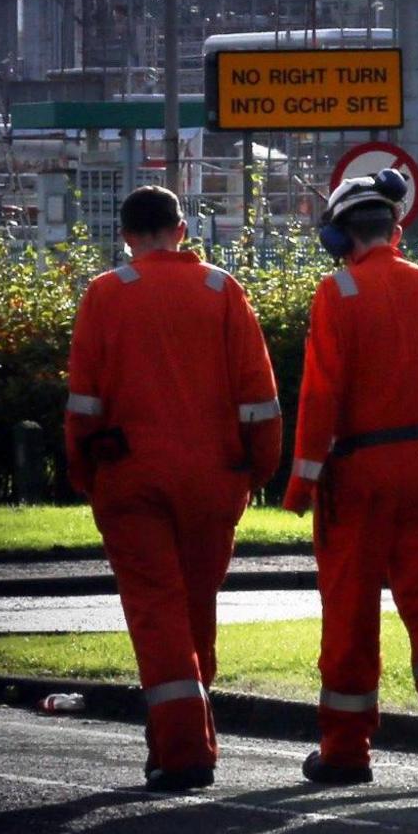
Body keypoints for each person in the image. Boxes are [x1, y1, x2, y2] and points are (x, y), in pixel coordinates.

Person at [63, 186, 283, 792]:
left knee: (158, 612)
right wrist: (256, 470)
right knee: (194, 611)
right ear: (182, 229)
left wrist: (88, 476)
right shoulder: (222, 291)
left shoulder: (107, 295)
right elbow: (260, 399)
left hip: (132, 479)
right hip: (214, 480)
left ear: (127, 236)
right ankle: (178, 741)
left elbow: (84, 404)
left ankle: (183, 748)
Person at [281, 169, 418, 789]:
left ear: (340, 236)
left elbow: (321, 399)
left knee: (350, 613)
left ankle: (346, 753)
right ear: (396, 229)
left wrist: (301, 484)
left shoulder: (338, 293)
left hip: (358, 474)